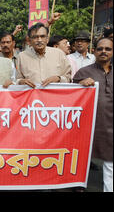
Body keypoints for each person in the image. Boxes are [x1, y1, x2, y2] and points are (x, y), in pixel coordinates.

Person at [73, 38, 113, 192]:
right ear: (94, 51)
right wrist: (79, 85)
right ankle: (77, 185)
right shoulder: (84, 72)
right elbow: (69, 96)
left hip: (110, 127)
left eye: (108, 49)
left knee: (110, 166)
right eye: (100, 48)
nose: (104, 51)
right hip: (88, 127)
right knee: (81, 160)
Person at [16, 23, 71, 88]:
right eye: (35, 37)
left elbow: (68, 79)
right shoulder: (22, 57)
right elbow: (16, 80)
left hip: (55, 96)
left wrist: (58, 78)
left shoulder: (59, 54)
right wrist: (21, 82)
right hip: (33, 96)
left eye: (42, 36)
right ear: (29, 40)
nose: (39, 40)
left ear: (47, 39)